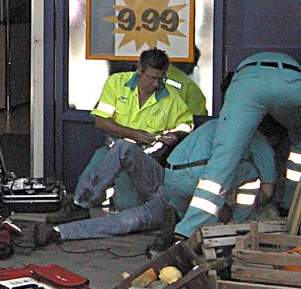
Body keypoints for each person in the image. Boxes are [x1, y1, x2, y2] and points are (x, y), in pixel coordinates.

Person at [30, 118, 275, 251]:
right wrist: (241, 225)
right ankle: (78, 209)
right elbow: (264, 190)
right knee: (130, 220)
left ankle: (66, 223)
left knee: (124, 152)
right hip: (184, 197)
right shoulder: (257, 146)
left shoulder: (216, 124)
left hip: (167, 176)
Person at [48, 49, 194, 224]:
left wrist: (175, 134)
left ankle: (87, 206)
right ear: (139, 70)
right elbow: (100, 121)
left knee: (126, 205)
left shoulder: (171, 97)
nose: (156, 84)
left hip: (144, 158)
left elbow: (187, 125)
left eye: (160, 78)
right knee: (85, 191)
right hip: (111, 150)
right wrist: (134, 135)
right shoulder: (117, 83)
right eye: (152, 78)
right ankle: (80, 207)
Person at [179, 52, 301, 234]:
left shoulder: (240, 77)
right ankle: (290, 206)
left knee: (223, 159)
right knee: (298, 146)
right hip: (292, 80)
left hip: (249, 80)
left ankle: (188, 231)